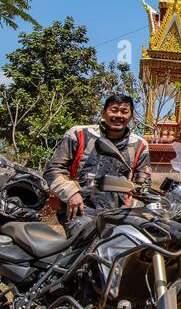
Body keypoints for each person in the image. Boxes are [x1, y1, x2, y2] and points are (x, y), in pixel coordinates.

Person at [45, 94, 151, 225]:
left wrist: (133, 203)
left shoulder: (140, 145)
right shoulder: (79, 134)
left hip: (118, 214)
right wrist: (71, 193)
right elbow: (53, 170)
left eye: (124, 111)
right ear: (103, 112)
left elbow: (143, 185)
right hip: (79, 210)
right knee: (87, 240)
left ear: (131, 116)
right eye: (114, 110)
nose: (118, 115)